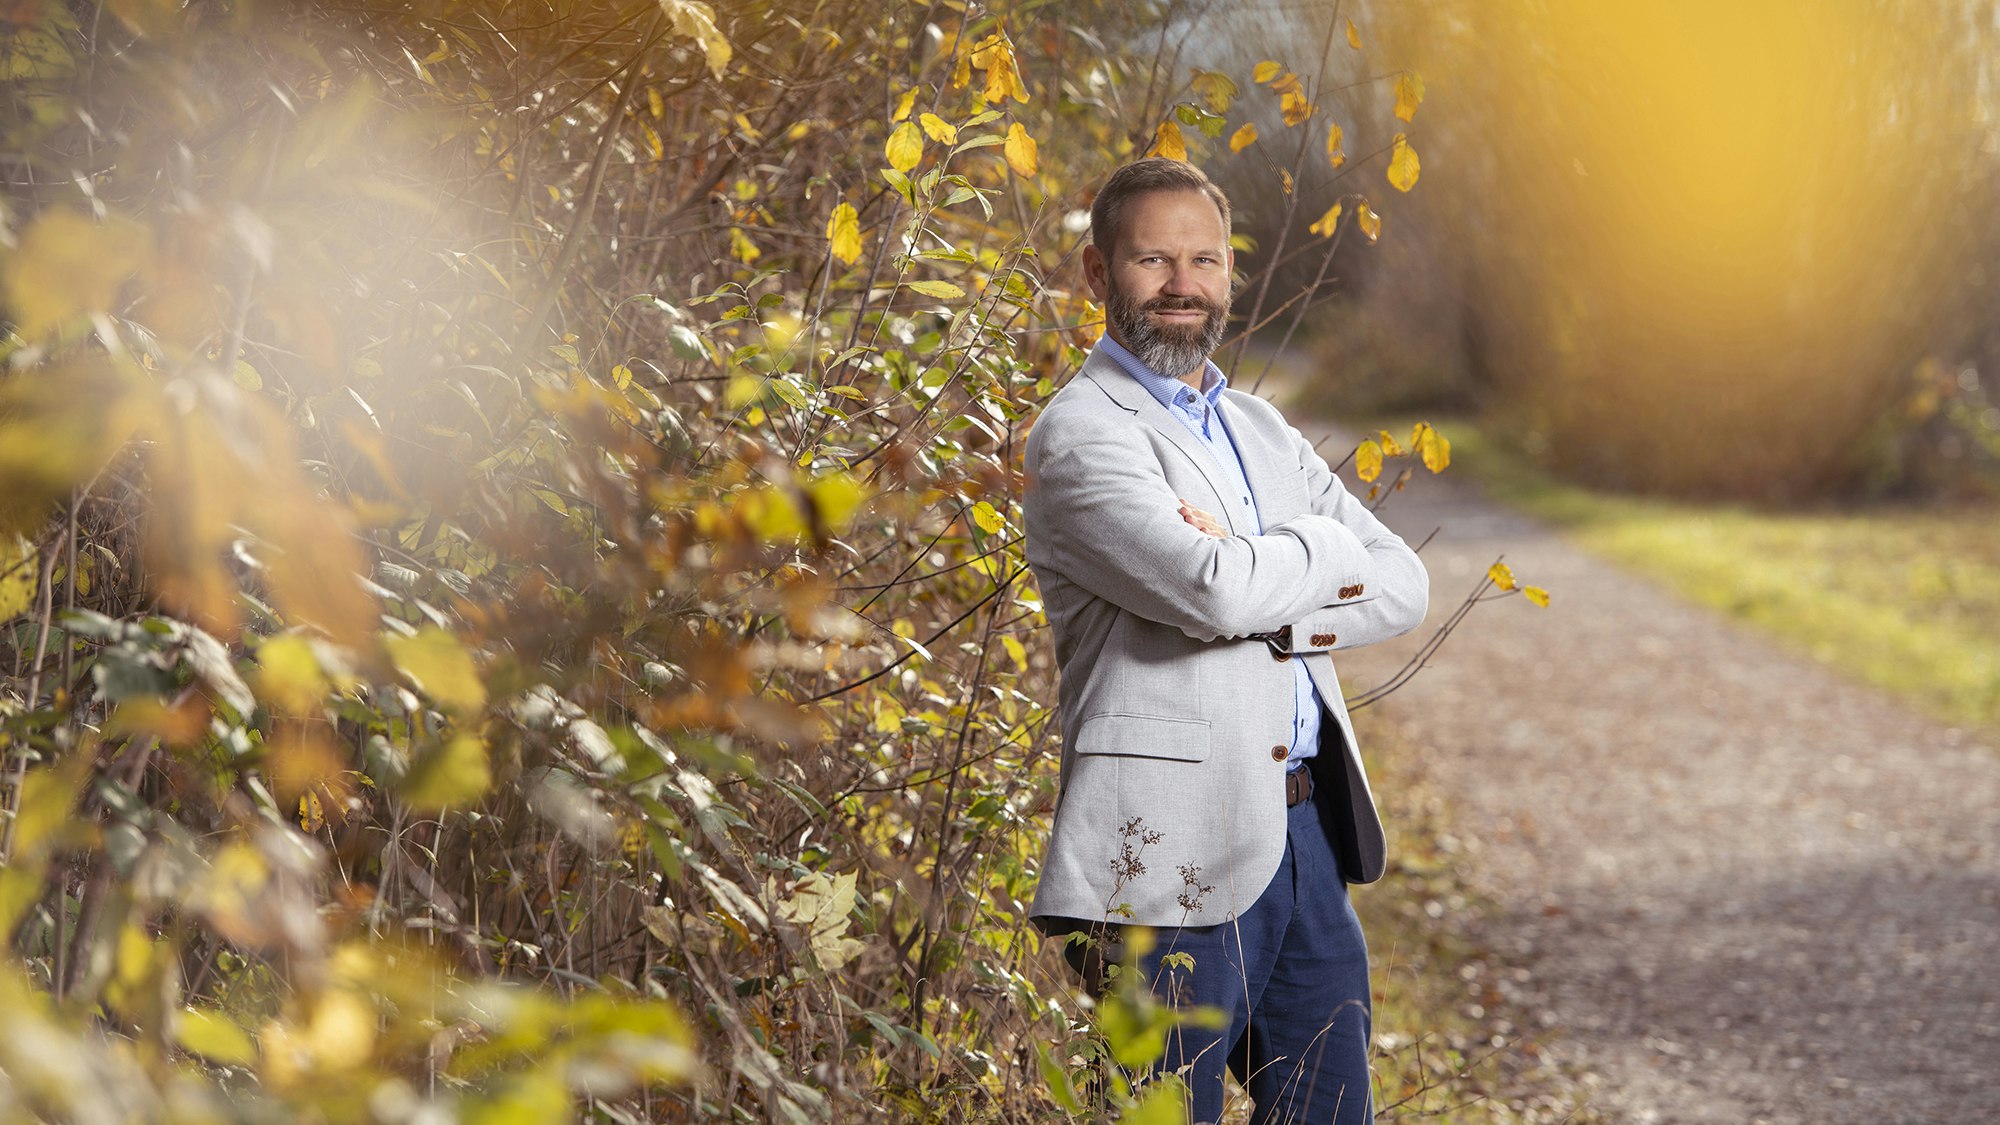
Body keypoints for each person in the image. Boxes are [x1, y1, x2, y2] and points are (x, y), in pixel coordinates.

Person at [1021, 157, 1429, 1124]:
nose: (1181, 284)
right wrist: (1315, 554)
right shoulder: (1082, 435)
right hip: (1162, 857)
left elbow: (1404, 582)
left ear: (1229, 275)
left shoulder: (1258, 426)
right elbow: (1210, 589)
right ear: (1096, 274)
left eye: (1202, 259)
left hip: (1303, 838)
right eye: (1152, 259)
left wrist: (1264, 565)